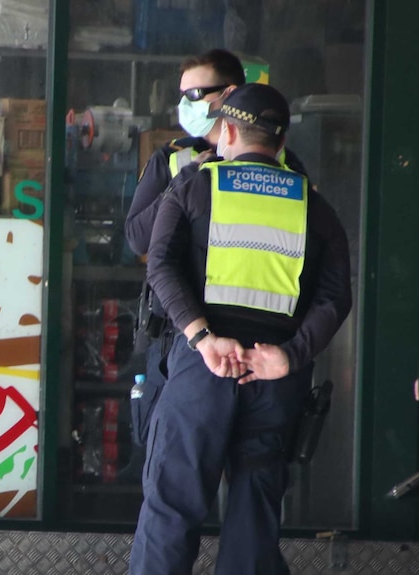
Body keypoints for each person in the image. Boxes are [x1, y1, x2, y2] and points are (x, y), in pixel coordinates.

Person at [127, 83, 352, 574]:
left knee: (171, 510)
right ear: (281, 141)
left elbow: (159, 265)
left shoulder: (192, 186)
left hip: (200, 370)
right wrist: (289, 356)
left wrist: (204, 337)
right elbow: (336, 297)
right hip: (274, 380)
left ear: (228, 129)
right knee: (254, 520)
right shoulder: (315, 207)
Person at [124, 49, 307, 450]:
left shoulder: (283, 165)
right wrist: (187, 182)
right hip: (184, 339)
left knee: (253, 478)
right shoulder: (174, 160)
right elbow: (138, 239)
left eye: (195, 94)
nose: (184, 105)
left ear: (228, 94)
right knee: (172, 470)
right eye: (182, 95)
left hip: (262, 347)